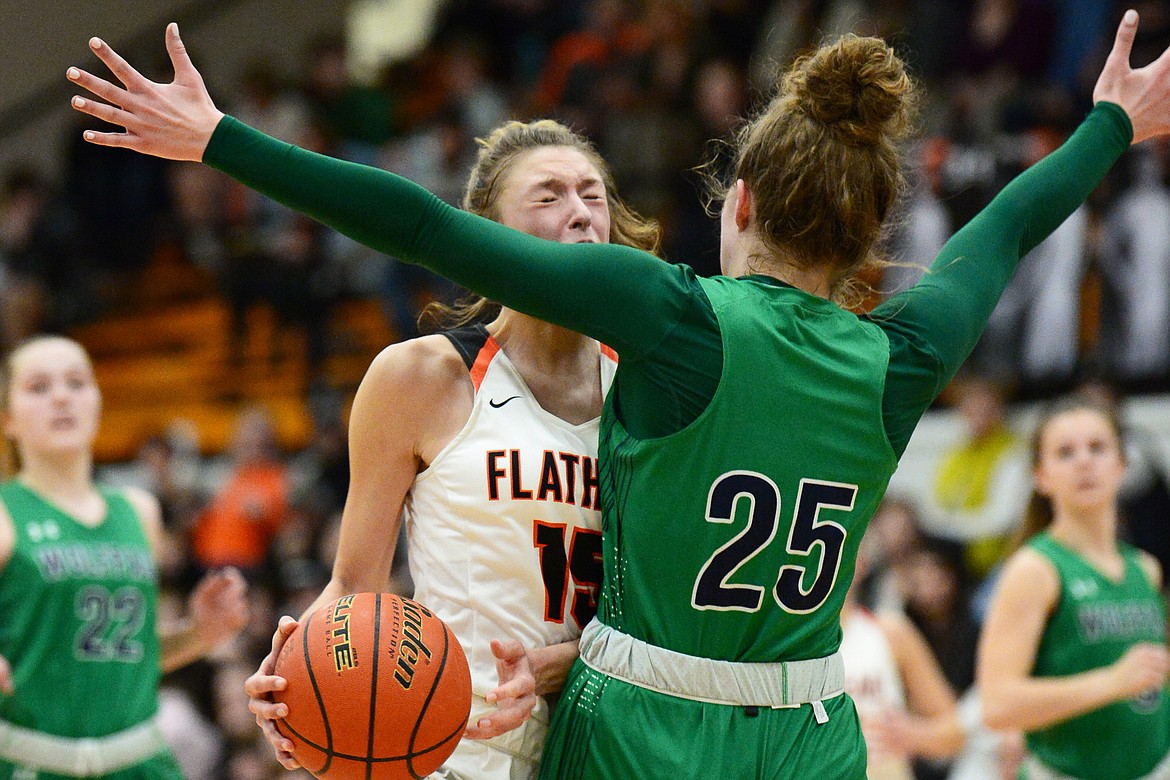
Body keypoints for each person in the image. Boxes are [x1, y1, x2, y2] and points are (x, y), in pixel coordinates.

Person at [66, 10, 1170, 778]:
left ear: (737, 203)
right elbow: (1007, 228)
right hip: (814, 730)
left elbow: (418, 224)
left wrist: (220, 140)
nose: (585, 214)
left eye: (594, 192)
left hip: (647, 722)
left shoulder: (676, 319)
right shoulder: (903, 352)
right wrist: (1110, 122)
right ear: (868, 231)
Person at [248, 118, 657, 779]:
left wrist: (561, 662)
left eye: (593, 193)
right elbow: (353, 586)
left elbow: (668, 608)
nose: (580, 213)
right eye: (549, 196)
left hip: (614, 743)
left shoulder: (651, 389)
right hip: (462, 750)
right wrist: (294, 673)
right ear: (485, 235)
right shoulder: (420, 378)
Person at [0, 335, 249, 778]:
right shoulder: (5, 512)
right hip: (36, 762)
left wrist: (199, 633)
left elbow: (129, 655)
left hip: (141, 761)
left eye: (76, 383)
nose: (61, 397)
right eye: (38, 387)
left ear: (97, 402)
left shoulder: (139, 511)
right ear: (8, 419)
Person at [977, 396, 1170, 779]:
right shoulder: (1035, 569)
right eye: (1065, 452)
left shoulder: (1145, 568)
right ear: (1041, 476)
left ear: (1122, 465)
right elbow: (997, 704)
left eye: (1098, 448)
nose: (1084, 461)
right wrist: (1110, 683)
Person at [840, 537, 964, 780]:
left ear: (861, 563)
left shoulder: (890, 632)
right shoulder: (778, 640)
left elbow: (955, 733)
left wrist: (913, 735)